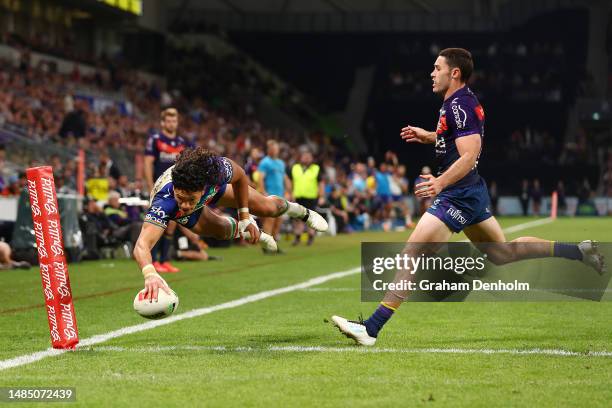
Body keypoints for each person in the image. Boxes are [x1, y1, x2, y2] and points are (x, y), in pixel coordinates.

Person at [331, 47, 606, 346]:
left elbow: (470, 153)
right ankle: (577, 251)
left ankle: (371, 328)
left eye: (437, 68)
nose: (431, 73)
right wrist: (430, 136)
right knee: (503, 254)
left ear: (455, 72)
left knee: (412, 254)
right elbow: (460, 140)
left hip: (457, 194)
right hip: (470, 191)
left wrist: (439, 183)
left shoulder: (458, 106)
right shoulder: (459, 103)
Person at [135, 147, 328, 301]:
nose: (184, 205)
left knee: (267, 208)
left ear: (203, 189)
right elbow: (142, 245)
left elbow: (241, 176)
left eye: (190, 199)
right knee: (218, 231)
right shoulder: (165, 202)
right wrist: (150, 273)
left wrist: (244, 215)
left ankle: (301, 212)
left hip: (213, 187)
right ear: (175, 189)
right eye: (180, 197)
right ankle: (256, 234)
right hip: (179, 203)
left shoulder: (216, 170)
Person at [144, 108, 193, 273]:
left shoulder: (181, 142)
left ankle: (164, 260)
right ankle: (155, 261)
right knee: (158, 223)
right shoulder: (155, 139)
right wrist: (150, 185)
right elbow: (148, 163)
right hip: (160, 188)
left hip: (176, 189)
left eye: (174, 121)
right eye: (169, 121)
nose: (172, 123)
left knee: (171, 225)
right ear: (163, 122)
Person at [257, 140, 292, 252]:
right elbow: (260, 178)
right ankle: (266, 246)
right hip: (270, 196)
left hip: (280, 196)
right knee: (269, 221)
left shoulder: (281, 163)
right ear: (269, 150)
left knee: (278, 221)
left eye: (276, 148)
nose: (274, 150)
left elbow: (285, 178)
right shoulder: (265, 162)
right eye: (272, 148)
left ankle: (274, 245)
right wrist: (263, 193)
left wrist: (289, 191)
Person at [290, 150, 325, 246]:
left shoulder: (316, 168)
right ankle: (297, 237)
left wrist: (321, 196)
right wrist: (290, 192)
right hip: (298, 197)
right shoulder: (295, 168)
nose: (306, 158)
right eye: (304, 156)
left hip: (311, 198)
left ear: (312, 159)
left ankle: (310, 237)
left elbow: (321, 183)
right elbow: (291, 181)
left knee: (310, 219)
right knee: (297, 218)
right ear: (301, 158)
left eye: (308, 157)